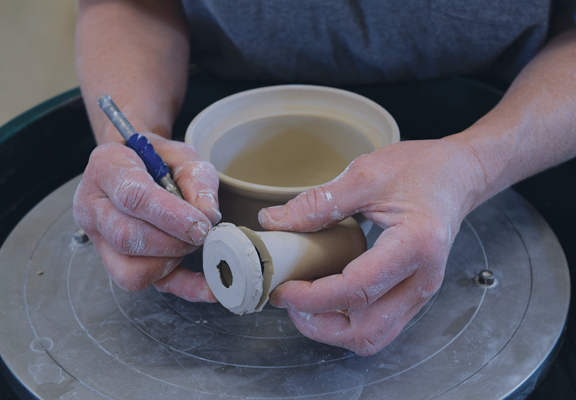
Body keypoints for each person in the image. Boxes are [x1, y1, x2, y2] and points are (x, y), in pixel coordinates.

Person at [73, 0, 576, 356]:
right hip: (210, 108)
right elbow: (130, 5)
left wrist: (474, 165)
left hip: (500, 133)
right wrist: (138, 148)